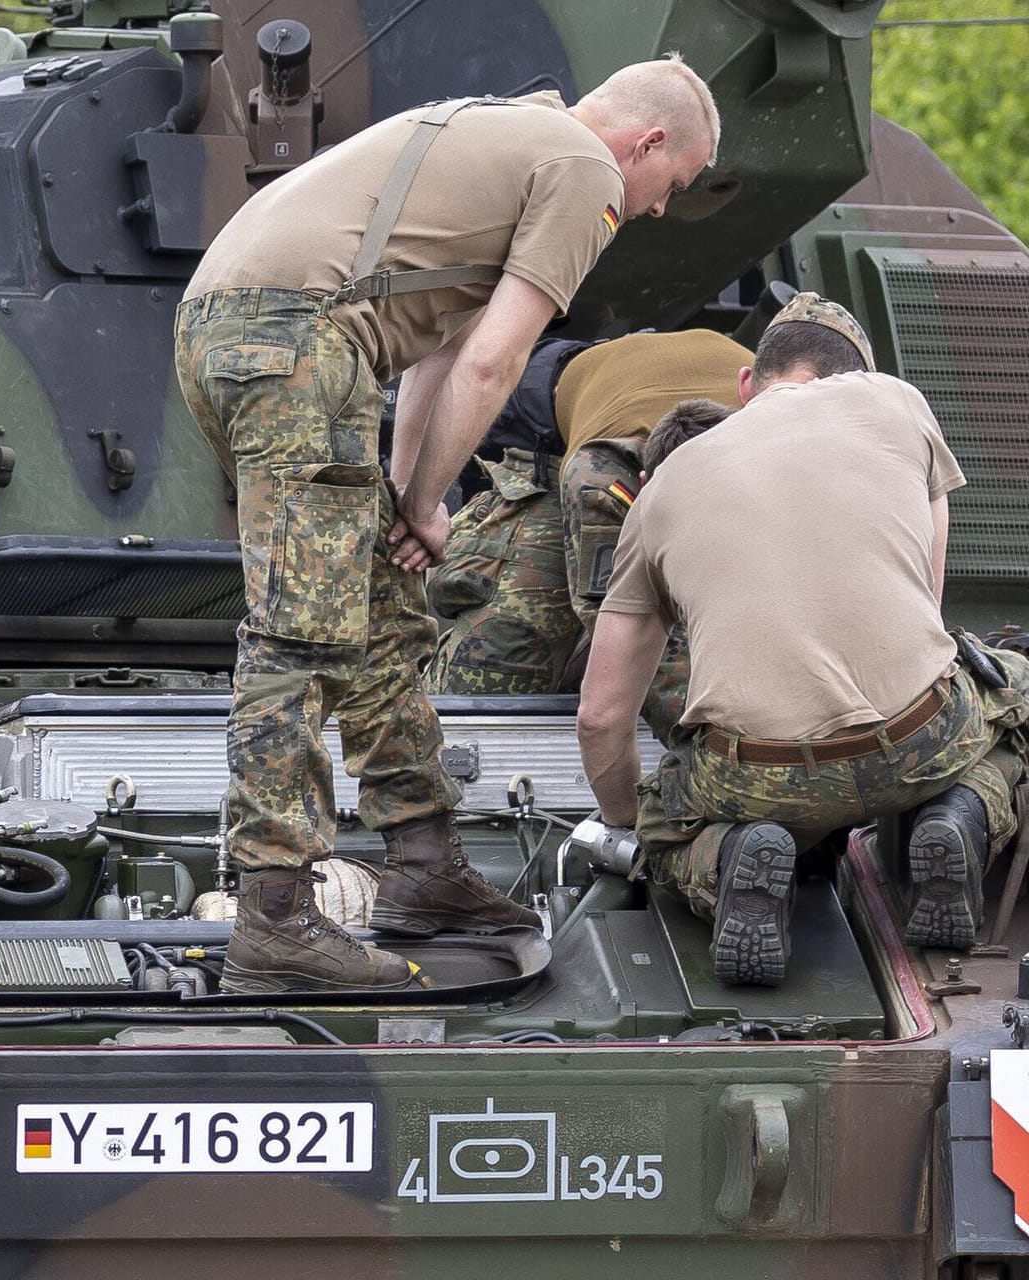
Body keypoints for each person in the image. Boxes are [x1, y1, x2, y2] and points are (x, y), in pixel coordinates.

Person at [175, 57, 720, 992]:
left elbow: (439, 347)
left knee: (384, 610)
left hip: (256, 335)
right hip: (298, 344)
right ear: (648, 143)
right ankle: (275, 913)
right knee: (298, 639)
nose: (663, 209)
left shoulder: (501, 130)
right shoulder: (584, 167)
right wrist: (433, 500)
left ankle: (425, 869)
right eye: (675, 185)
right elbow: (495, 366)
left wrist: (404, 497)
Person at [577, 294, 1029, 986]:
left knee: (663, 821)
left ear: (745, 385)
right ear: (855, 375)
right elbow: (927, 613)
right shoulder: (898, 404)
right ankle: (961, 812)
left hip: (756, 774)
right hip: (918, 735)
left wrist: (634, 822)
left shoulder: (665, 486)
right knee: (1014, 693)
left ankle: (731, 858)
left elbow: (601, 716)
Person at [429, 331, 749, 747]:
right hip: (552, 425)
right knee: (503, 664)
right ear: (644, 486)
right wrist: (717, 754)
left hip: (682, 379)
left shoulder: (779, 451)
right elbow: (622, 631)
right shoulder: (598, 478)